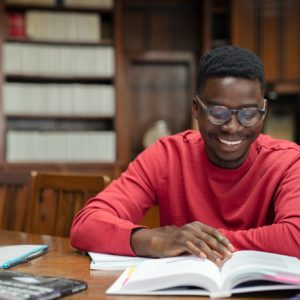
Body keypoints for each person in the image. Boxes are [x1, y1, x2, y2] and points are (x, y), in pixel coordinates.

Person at [70, 46, 300, 265]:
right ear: (196, 108)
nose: (232, 127)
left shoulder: (289, 162)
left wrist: (195, 244)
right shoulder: (167, 155)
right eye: (218, 112)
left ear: (263, 112)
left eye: (248, 113)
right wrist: (156, 240)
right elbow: (86, 225)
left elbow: (296, 238)